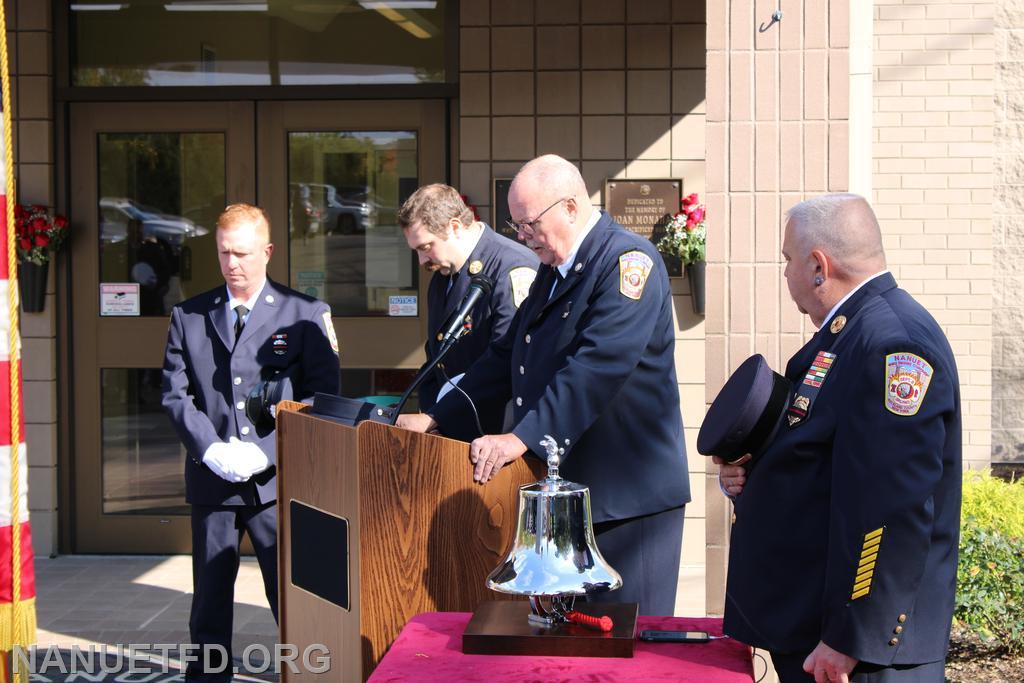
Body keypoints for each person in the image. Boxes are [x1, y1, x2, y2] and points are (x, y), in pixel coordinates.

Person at [397, 155, 690, 615]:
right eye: (515, 225)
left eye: (529, 222)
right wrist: (437, 417)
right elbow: (503, 358)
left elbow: (597, 367)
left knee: (632, 650)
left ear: (570, 207)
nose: (522, 235)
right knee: (574, 647)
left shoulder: (626, 261)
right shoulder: (553, 272)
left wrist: (521, 437)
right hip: (575, 497)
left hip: (627, 498)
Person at [713, 194, 961, 683]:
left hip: (857, 656)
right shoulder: (848, 333)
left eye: (787, 260)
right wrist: (749, 470)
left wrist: (850, 636)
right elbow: (815, 448)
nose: (785, 274)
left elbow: (892, 506)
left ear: (818, 265)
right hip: (816, 627)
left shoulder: (892, 343)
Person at [162, 203, 340, 682]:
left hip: (276, 483)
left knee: (291, 596)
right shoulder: (190, 315)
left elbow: (322, 399)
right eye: (223, 253)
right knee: (210, 601)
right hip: (213, 481)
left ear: (267, 251)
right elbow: (175, 394)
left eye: (242, 253)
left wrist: (264, 452)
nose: (232, 263)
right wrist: (212, 448)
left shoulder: (304, 313)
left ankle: (307, 676)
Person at [399, 183, 538, 437]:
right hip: (456, 430)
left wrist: (437, 417)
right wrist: (432, 417)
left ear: (454, 227)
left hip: (497, 434)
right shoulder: (443, 276)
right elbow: (437, 359)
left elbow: (507, 360)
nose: (421, 261)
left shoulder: (511, 267)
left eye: (425, 247)